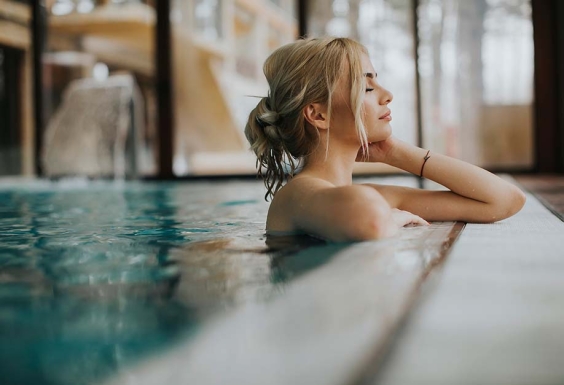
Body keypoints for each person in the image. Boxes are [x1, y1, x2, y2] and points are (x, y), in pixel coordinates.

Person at [245, 37, 526, 242]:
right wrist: (391, 217)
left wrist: (397, 153)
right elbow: (370, 220)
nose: (387, 93)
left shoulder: (367, 196)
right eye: (367, 87)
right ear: (318, 115)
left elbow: (504, 201)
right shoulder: (297, 194)